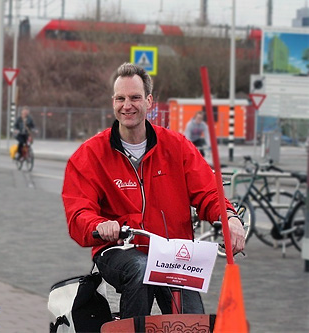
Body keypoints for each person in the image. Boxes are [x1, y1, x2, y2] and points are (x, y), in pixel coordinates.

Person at [62, 63, 245, 319]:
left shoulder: (177, 146)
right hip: (120, 249)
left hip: (172, 253)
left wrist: (230, 218)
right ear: (113, 102)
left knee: (190, 320)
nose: (128, 105)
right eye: (121, 98)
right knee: (140, 268)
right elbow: (78, 211)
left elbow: (208, 192)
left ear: (149, 101)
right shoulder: (91, 155)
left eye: (135, 97)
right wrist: (100, 224)